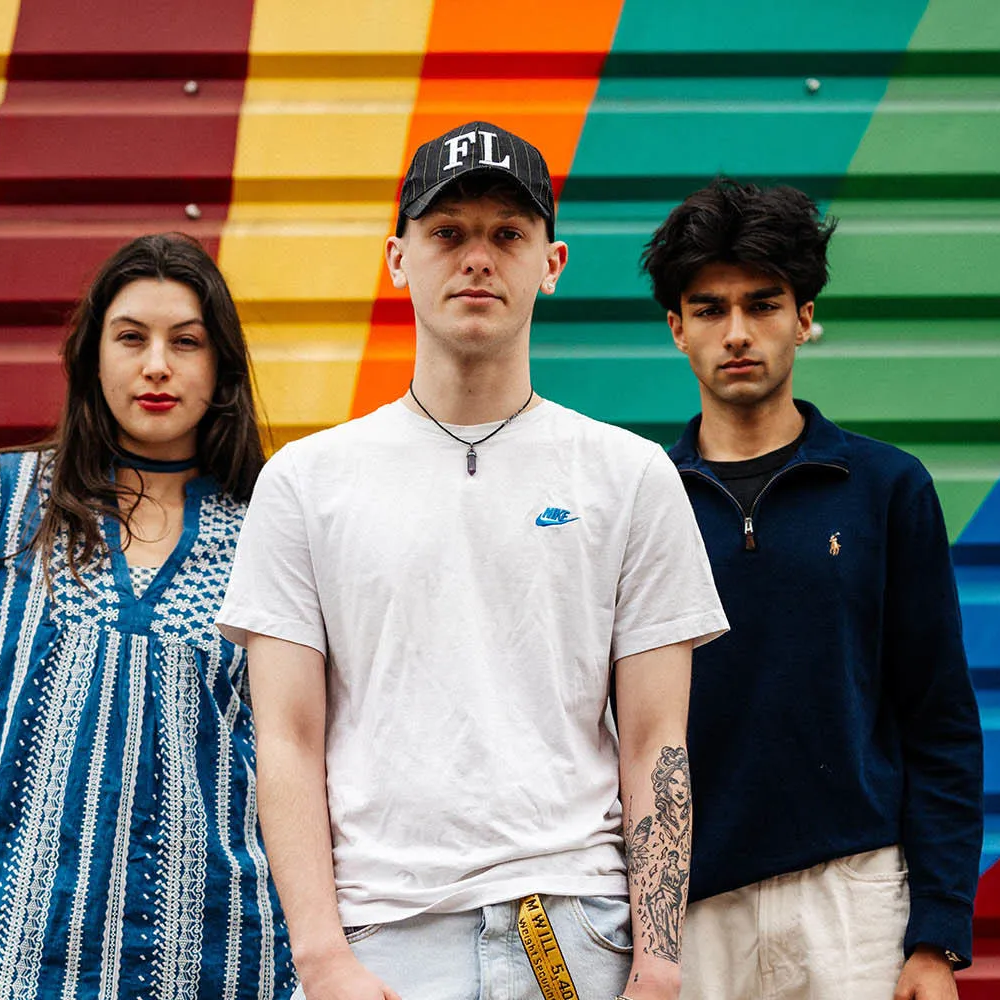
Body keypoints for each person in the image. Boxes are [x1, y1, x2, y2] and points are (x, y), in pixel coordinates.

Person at [217, 122, 729, 1000]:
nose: (477, 259)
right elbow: (287, 740)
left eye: (507, 234)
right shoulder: (307, 481)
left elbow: (656, 743)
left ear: (553, 261)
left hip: (580, 931)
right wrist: (322, 955)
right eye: (447, 233)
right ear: (398, 259)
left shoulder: (630, 476)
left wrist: (658, 961)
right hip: (385, 939)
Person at [0, 234, 295, 1000]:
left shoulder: (271, 529)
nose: (157, 365)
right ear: (93, 357)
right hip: (16, 950)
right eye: (131, 338)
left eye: (187, 342)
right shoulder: (4, 500)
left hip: (213, 950)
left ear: (222, 368)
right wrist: (52, 786)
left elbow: (308, 738)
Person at [641, 178, 984, 1000]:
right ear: (676, 328)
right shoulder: (637, 497)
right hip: (686, 911)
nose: (737, 333)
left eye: (763, 304)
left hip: (854, 900)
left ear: (803, 318)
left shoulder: (886, 488)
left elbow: (939, 720)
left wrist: (936, 935)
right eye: (710, 308)